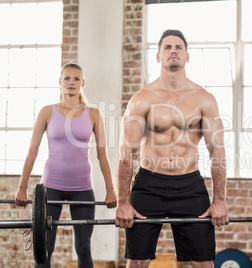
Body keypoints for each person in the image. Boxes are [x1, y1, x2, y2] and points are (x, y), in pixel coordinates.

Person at [115, 29, 229, 268]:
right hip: (149, 185)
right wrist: (123, 202)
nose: (173, 51)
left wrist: (220, 200)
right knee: (136, 262)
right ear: (158, 56)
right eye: (167, 47)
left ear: (187, 56)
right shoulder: (142, 99)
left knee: (203, 263)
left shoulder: (204, 99)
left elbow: (217, 152)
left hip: (190, 185)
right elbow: (126, 153)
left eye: (178, 47)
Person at [15, 62, 117, 268]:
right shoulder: (47, 112)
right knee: (45, 247)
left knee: (83, 246)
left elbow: (102, 155)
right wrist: (22, 188)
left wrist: (110, 190)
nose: (71, 82)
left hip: (82, 188)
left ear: (83, 83)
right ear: (60, 82)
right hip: (51, 187)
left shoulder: (94, 114)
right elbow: (32, 152)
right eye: (67, 78)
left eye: (76, 79)